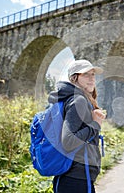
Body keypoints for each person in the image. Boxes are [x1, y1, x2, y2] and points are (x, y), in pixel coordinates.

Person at [48, 59, 106, 193]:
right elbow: (68, 141)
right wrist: (95, 124)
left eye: (93, 74)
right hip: (76, 177)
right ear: (74, 78)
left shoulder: (79, 99)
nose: (92, 78)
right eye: (86, 74)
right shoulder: (77, 100)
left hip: (76, 176)